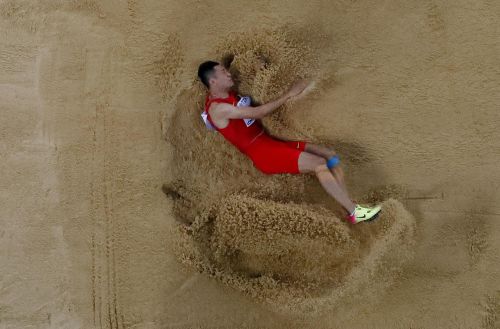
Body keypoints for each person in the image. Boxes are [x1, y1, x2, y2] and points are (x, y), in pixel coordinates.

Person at [197, 60, 381, 224]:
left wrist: (260, 66)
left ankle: (348, 206)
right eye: (223, 71)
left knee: (328, 155)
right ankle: (354, 212)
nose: (228, 73)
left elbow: (243, 64)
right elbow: (258, 113)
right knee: (319, 164)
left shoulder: (225, 93)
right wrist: (289, 94)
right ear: (213, 81)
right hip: (263, 153)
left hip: (270, 143)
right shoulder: (218, 109)